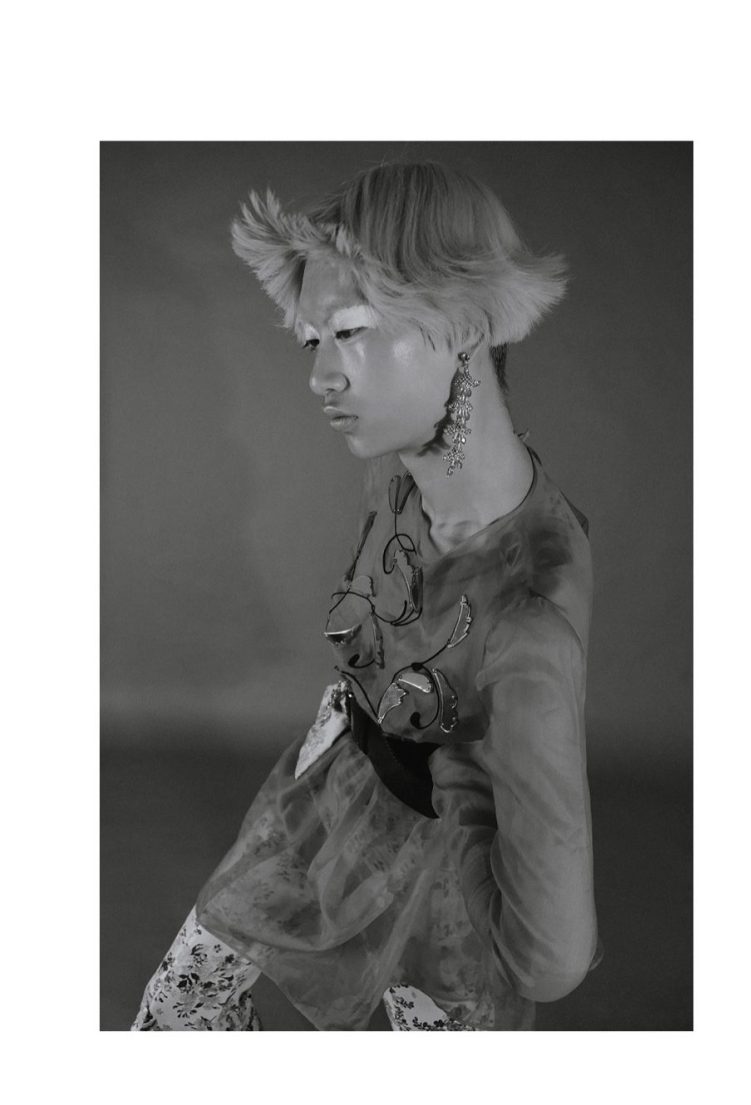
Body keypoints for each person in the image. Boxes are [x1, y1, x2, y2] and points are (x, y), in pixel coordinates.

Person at [131, 160, 600, 1032]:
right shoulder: (397, 463)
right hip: (332, 787)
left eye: (351, 331)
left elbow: (551, 952)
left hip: (448, 886)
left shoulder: (527, 613)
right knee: (179, 1015)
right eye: (314, 341)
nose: (320, 376)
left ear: (466, 323)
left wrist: (460, 788)